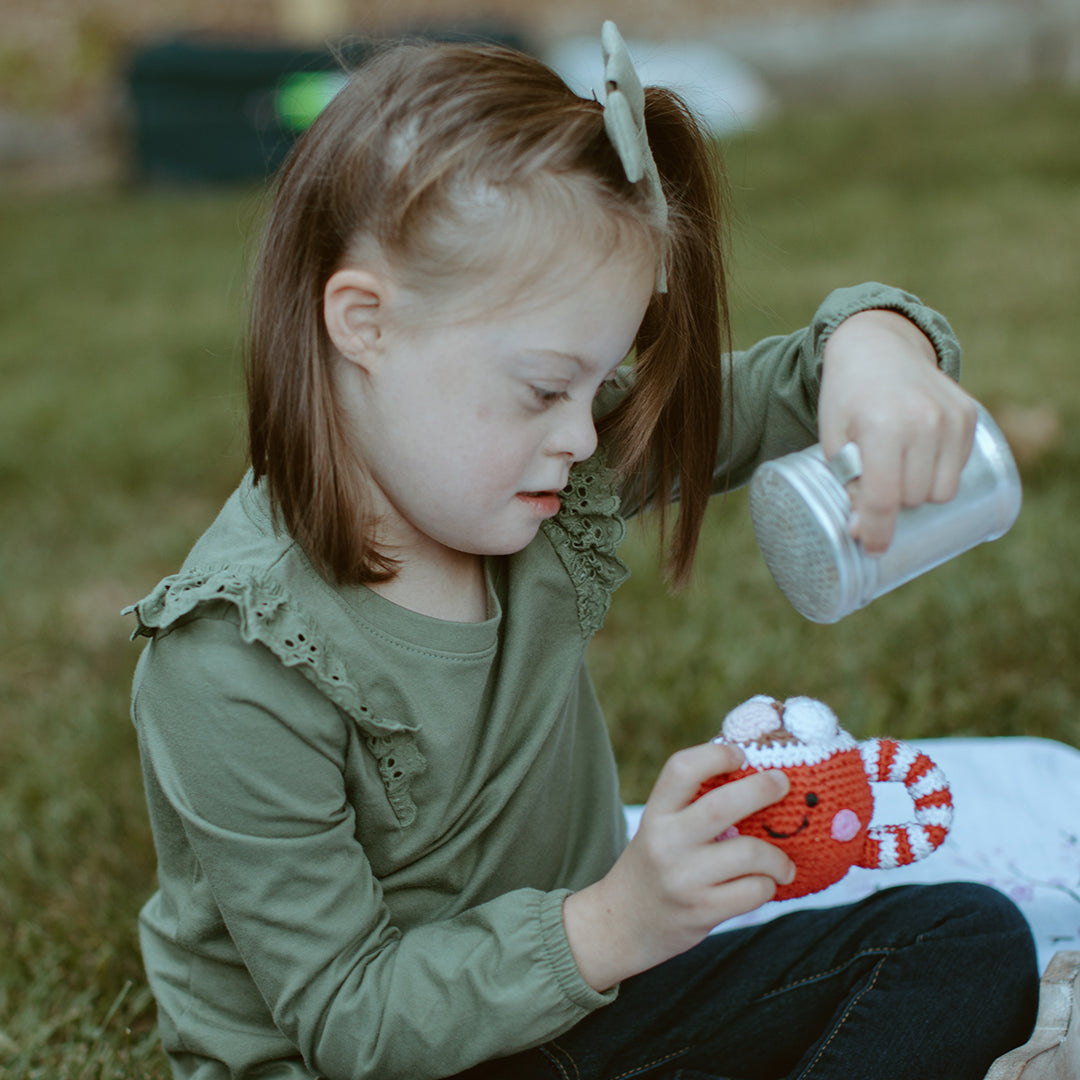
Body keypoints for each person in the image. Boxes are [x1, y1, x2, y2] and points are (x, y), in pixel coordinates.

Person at [125, 23, 1037, 1080]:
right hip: (383, 1055)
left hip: (579, 1011)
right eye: (545, 387)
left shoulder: (543, 478)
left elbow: (790, 385)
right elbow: (351, 1019)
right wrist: (618, 920)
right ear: (364, 323)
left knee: (963, 941)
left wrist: (881, 355)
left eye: (596, 382)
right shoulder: (234, 660)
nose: (581, 431)